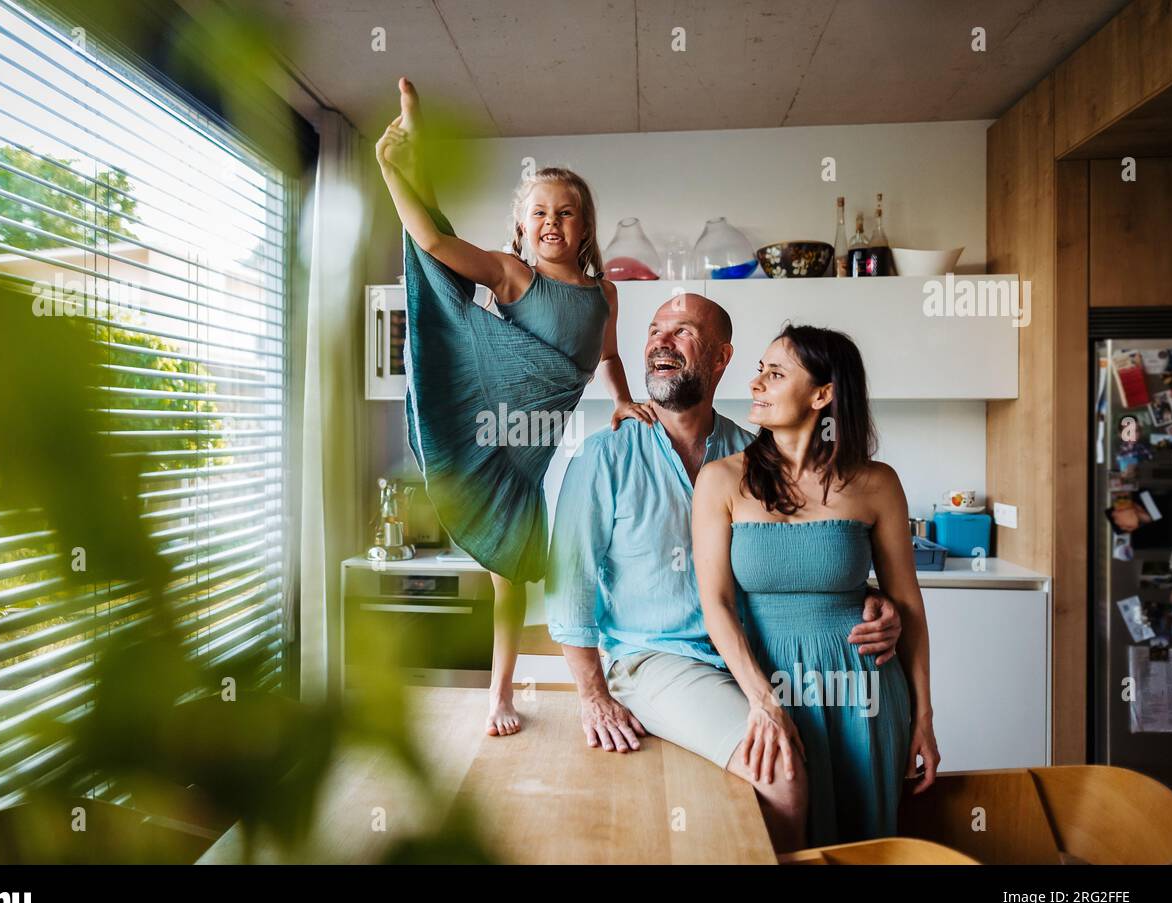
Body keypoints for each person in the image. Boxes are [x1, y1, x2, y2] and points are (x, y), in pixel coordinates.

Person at [545, 294, 906, 852]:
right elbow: (570, 587)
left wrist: (874, 595)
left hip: (749, 659)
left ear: (721, 358)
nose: (660, 341)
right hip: (660, 659)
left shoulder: (752, 452)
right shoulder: (604, 456)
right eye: (655, 330)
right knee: (783, 773)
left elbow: (801, 545)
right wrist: (593, 694)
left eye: (683, 332)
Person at [376, 78, 654, 737]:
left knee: (510, 583)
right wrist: (388, 171)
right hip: (485, 428)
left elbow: (607, 353)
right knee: (437, 255)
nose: (551, 222)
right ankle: (497, 696)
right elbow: (436, 247)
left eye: (565, 212)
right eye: (539, 213)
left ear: (585, 226)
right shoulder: (511, 274)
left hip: (527, 461)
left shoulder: (604, 294)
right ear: (522, 228)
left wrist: (619, 401)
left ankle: (510, 693)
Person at [692, 324, 940, 847]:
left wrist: (924, 717)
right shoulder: (720, 480)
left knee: (865, 844)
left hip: (864, 691)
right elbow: (715, 604)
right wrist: (762, 701)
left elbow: (908, 607)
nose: (756, 383)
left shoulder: (876, 483)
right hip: (763, 683)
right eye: (759, 370)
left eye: (775, 373)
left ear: (822, 395)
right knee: (774, 841)